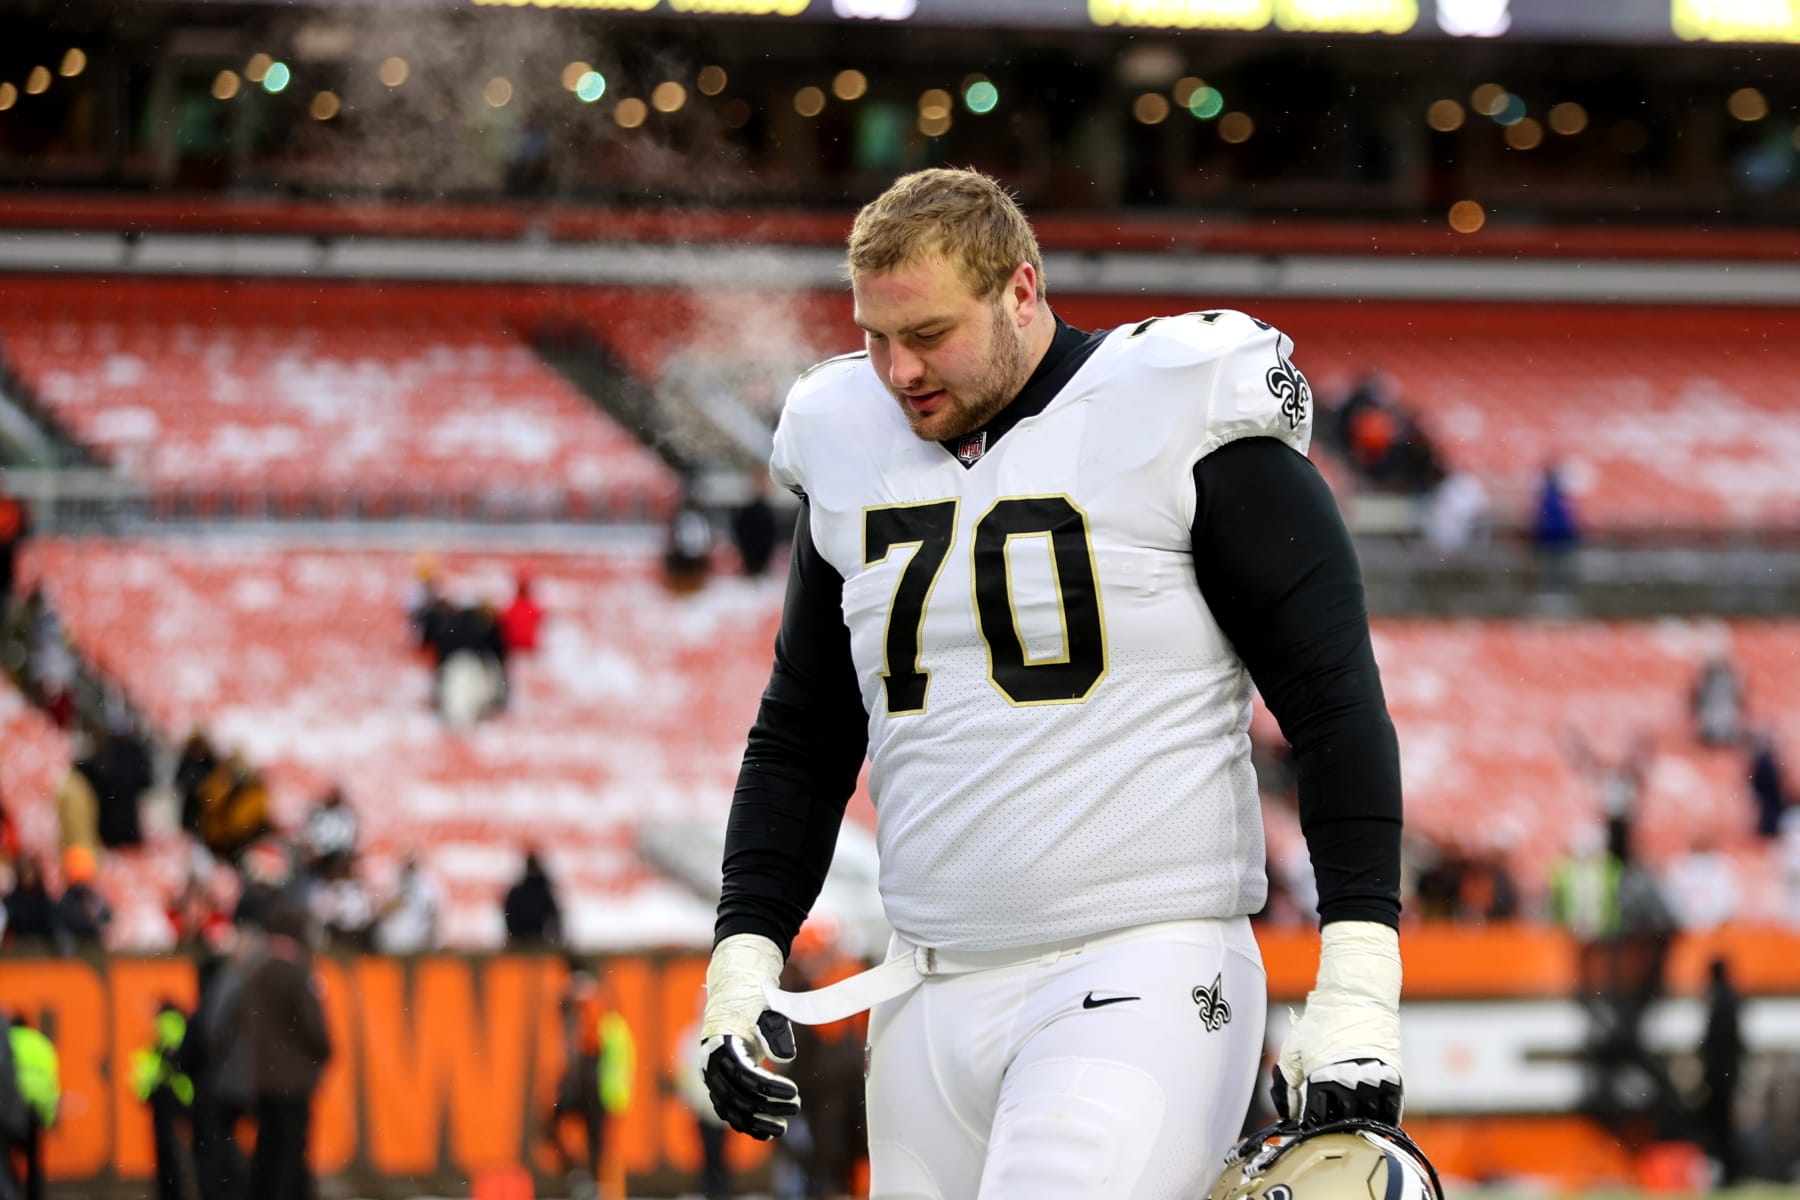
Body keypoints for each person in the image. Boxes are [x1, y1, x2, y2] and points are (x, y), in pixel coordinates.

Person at [700, 169, 1405, 1199]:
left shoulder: (1179, 400)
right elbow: (803, 733)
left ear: (1021, 291)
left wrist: (1358, 987)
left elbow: (1335, 703)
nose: (897, 370)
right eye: (874, 337)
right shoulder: (842, 437)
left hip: (1142, 967)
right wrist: (744, 957)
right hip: (927, 988)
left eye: (930, 334)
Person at [239, 899, 331, 1200]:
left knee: (266, 1150)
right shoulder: (297, 974)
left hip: (261, 1079)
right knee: (291, 1153)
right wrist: (322, 1054)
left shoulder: (255, 973)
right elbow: (316, 1031)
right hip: (293, 1083)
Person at [131, 1001, 194, 1200]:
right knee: (183, 1155)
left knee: (167, 1157)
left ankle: (171, 1193)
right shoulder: (183, 1024)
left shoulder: (164, 1026)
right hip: (181, 1098)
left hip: (164, 1098)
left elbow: (159, 1061)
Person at [1701, 956, 1744, 1186]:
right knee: (1724, 1124)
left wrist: (1713, 1073)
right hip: (1727, 1073)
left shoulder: (1721, 999)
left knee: (1720, 1126)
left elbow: (1718, 1042)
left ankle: (1729, 1173)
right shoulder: (1730, 998)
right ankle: (1730, 1172)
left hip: (1721, 1076)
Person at [6, 1016, 57, 1200]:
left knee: (6, 1161)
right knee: (34, 1162)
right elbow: (51, 1082)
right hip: (35, 1110)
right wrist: (49, 1116)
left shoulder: (7, 1040)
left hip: (11, 1107)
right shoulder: (40, 1043)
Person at [503, 849, 563, 947]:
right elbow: (554, 916)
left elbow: (509, 915)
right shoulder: (544, 892)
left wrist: (514, 936)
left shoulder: (517, 892)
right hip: (538, 941)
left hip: (520, 942)